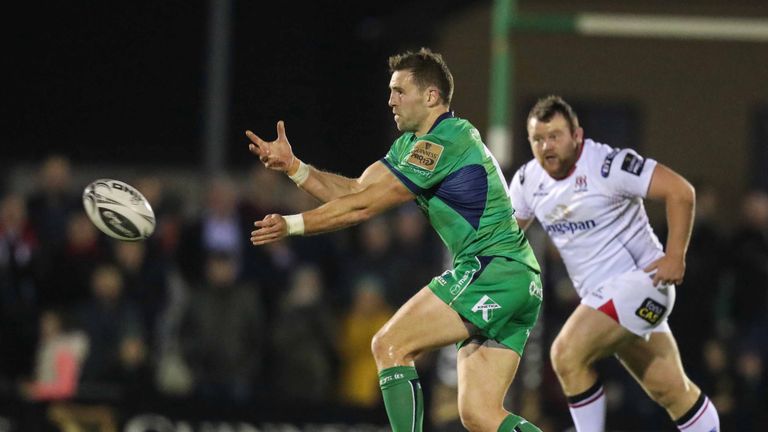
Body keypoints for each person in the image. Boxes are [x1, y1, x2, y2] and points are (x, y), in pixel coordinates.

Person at [246, 48, 544, 432]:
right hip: (518, 279)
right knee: (481, 415)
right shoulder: (411, 146)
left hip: (492, 270)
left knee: (389, 344)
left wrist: (292, 224)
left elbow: (364, 208)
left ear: (432, 96)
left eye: (400, 91)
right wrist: (294, 167)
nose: (390, 100)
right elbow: (354, 191)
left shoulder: (446, 139)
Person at [508, 95, 720, 432]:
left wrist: (675, 256)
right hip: (608, 301)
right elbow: (506, 240)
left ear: (577, 136)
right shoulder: (526, 181)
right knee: (672, 391)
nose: (547, 146)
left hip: (641, 286)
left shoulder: (607, 165)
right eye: (538, 138)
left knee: (566, 354)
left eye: (555, 136)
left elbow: (681, 191)